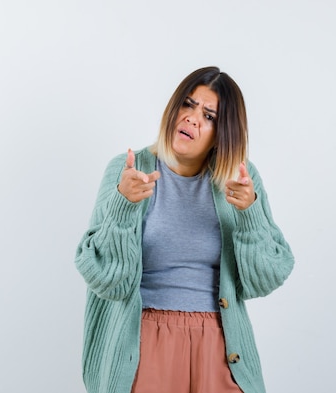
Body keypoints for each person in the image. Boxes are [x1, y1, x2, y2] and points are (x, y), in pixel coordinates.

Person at [75, 66, 294, 393]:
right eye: (188, 105)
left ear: (224, 133)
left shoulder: (239, 178)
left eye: (209, 115)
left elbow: (265, 278)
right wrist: (123, 205)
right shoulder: (128, 171)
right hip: (143, 343)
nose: (192, 118)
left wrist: (249, 213)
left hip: (219, 344)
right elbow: (107, 280)